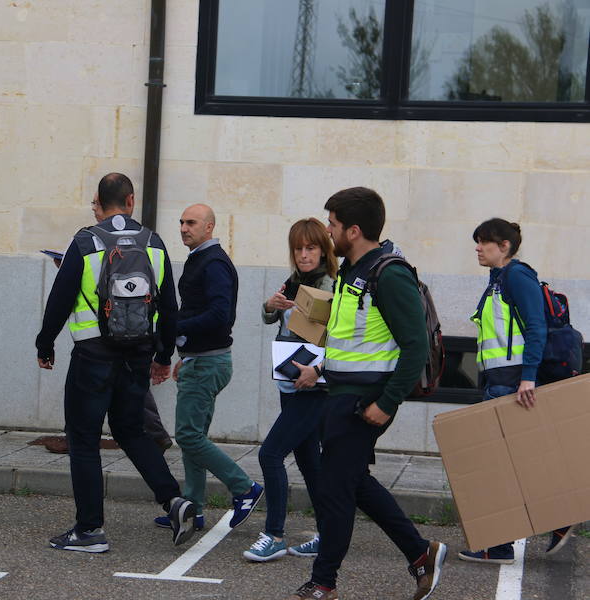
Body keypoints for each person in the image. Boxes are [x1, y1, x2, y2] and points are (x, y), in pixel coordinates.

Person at [289, 187, 446, 600]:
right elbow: (346, 340)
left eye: (333, 224)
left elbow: (414, 346)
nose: (328, 230)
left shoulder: (389, 274)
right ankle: (420, 554)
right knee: (354, 482)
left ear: (354, 230)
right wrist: (320, 368)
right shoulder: (351, 272)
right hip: (339, 395)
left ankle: (323, 582)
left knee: (333, 490)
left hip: (365, 401)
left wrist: (386, 403)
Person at [35, 173, 195, 553]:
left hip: (93, 355)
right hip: (137, 355)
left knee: (84, 439)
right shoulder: (154, 242)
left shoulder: (86, 242)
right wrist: (163, 355)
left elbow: (60, 299)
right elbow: (170, 306)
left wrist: (45, 345)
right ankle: (173, 500)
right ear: (130, 201)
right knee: (131, 431)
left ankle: (89, 531)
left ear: (99, 203)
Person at [457, 218, 576, 564]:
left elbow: (536, 327)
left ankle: (503, 543)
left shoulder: (517, 276)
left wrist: (527, 377)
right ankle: (514, 538)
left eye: (484, 242)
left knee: (500, 464)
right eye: (477, 242)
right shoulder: (498, 280)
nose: (477, 248)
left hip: (513, 382)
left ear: (504, 246)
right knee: (509, 463)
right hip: (500, 381)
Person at [153, 204, 263, 533]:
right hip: (200, 359)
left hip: (208, 361)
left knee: (187, 435)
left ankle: (245, 488)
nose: (184, 228)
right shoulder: (200, 259)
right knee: (193, 436)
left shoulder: (213, 262)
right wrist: (185, 353)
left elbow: (220, 315)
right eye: (181, 222)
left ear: (210, 227)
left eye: (192, 223)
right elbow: (201, 309)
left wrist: (176, 330)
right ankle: (193, 510)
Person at [242, 218, 337, 563]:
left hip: (313, 387)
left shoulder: (331, 285)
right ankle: (329, 535)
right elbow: (272, 319)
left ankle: (275, 534)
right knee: (309, 461)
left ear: (322, 249)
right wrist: (271, 305)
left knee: (270, 454)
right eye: (298, 248)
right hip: (290, 382)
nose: (303, 254)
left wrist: (319, 370)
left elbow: (343, 342)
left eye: (310, 247)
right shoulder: (294, 282)